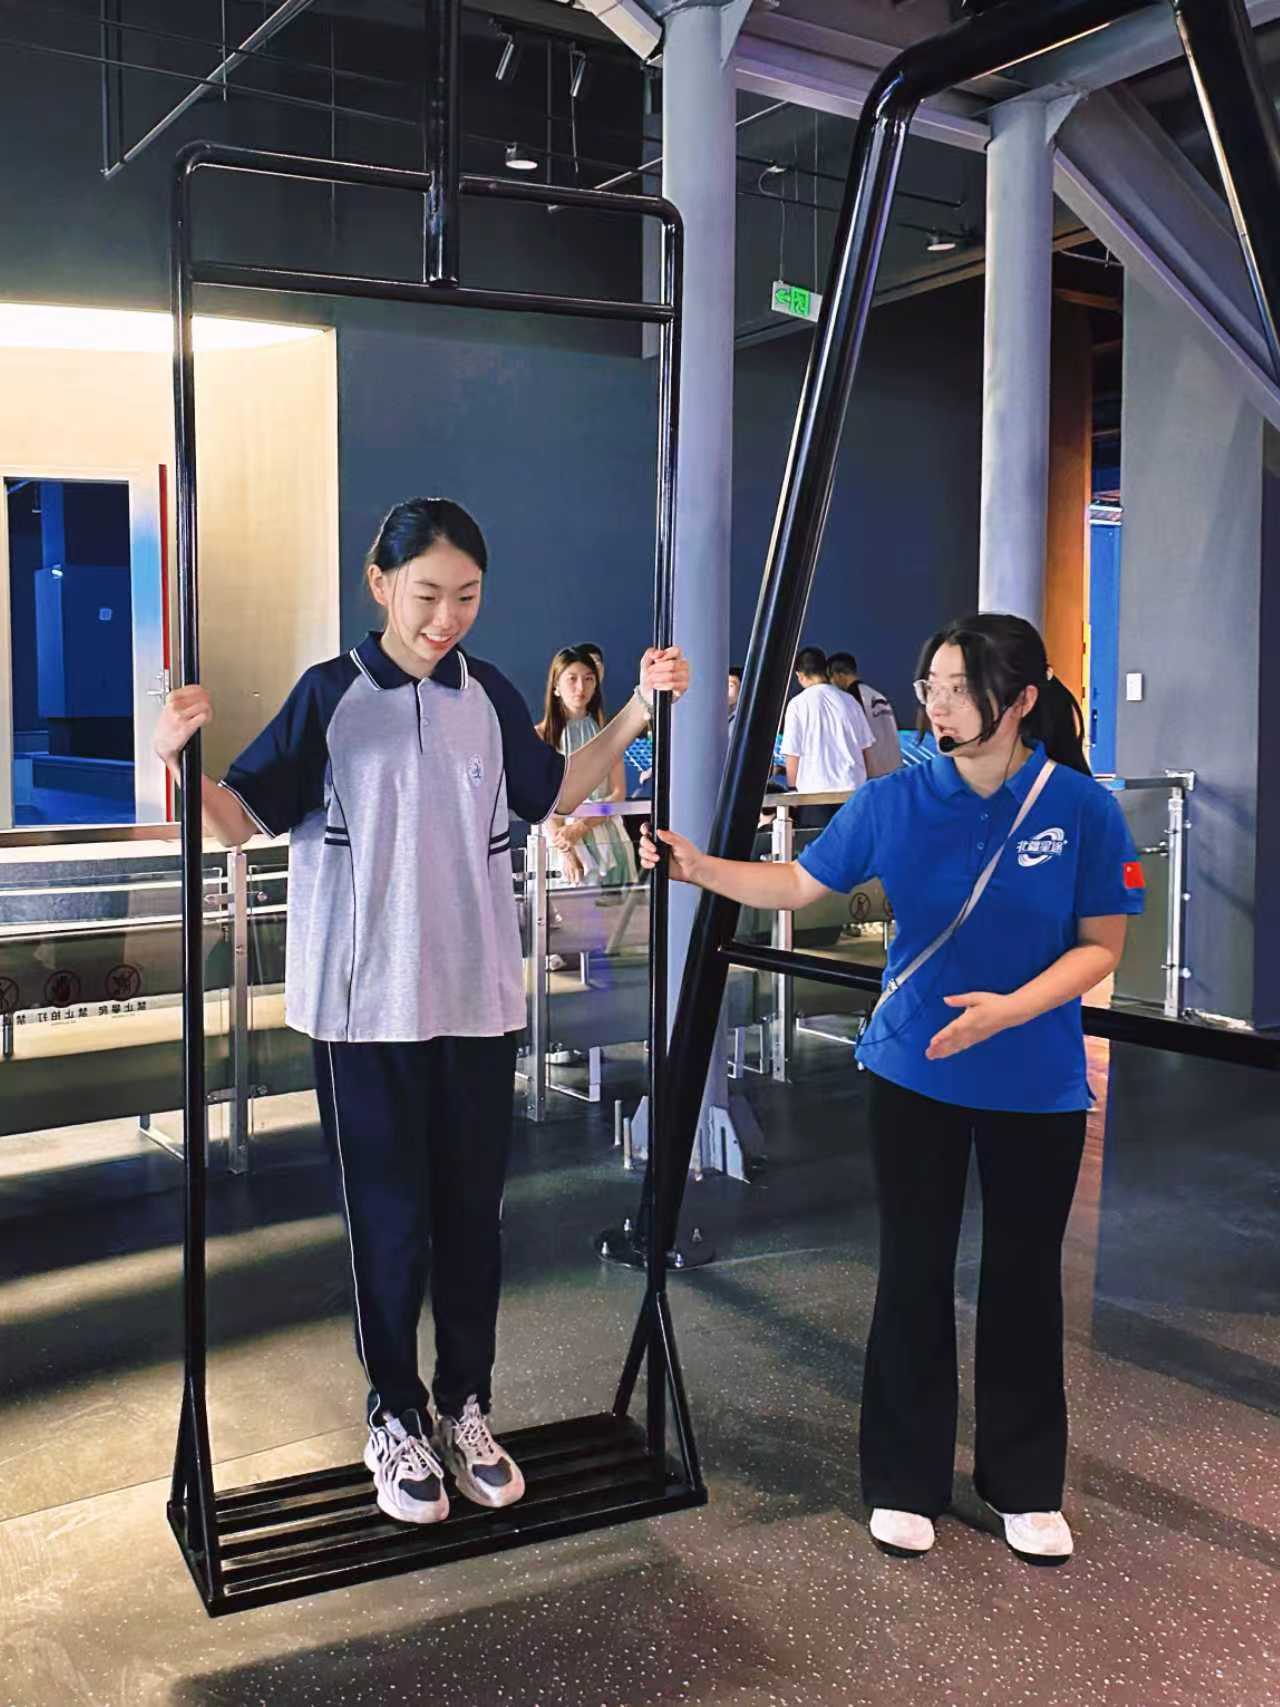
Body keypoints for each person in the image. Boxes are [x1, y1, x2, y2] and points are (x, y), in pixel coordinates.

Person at [154, 497, 689, 1528]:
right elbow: (235, 822)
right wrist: (182, 757)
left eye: (467, 597)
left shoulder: (487, 694)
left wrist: (634, 710)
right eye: (428, 594)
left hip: (476, 1000)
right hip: (363, 1014)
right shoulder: (329, 697)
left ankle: (464, 1407)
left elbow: (553, 792)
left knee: (473, 1223)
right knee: (389, 1225)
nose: (447, 617)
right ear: (380, 584)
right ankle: (393, 1416)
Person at [640, 612, 1143, 1566]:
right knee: (913, 1270)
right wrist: (699, 867)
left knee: (1025, 1279)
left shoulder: (1081, 807)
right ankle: (905, 1478)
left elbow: (1101, 946)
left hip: (1037, 1081)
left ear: (1020, 700)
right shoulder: (895, 799)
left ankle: (1026, 1484)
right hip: (914, 1069)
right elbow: (799, 883)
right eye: (931, 687)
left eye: (958, 688)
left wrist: (1009, 1010)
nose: (937, 706)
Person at [537, 646, 638, 889]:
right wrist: (567, 850)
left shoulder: (608, 735)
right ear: (556, 685)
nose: (580, 687)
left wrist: (581, 827)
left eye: (588, 679)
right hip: (558, 842)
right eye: (572, 679)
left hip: (608, 839)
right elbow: (540, 801)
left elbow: (617, 794)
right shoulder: (540, 736)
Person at [779, 645, 876, 825]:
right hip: (852, 792)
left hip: (814, 796)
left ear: (799, 675)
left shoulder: (797, 705)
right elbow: (866, 749)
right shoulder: (849, 701)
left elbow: (792, 754)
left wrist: (792, 790)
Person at [828, 650, 902, 778]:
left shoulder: (852, 698)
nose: (831, 684)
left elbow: (854, 738)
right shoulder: (877, 695)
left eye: (831, 678)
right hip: (894, 769)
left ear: (838, 675)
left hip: (874, 773)